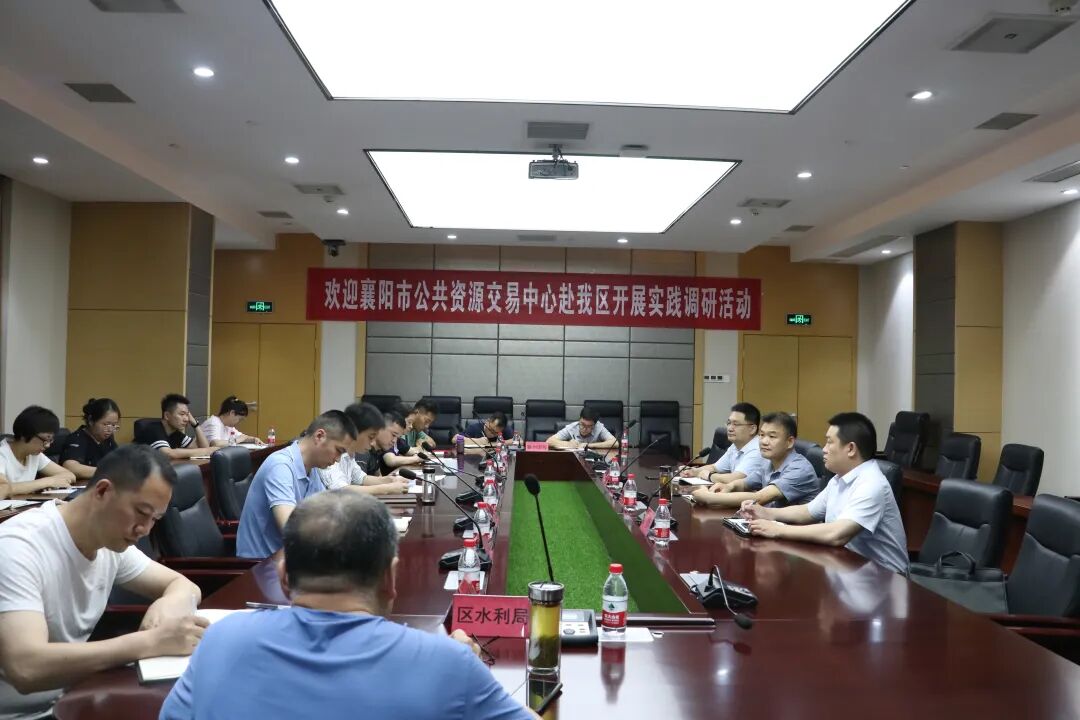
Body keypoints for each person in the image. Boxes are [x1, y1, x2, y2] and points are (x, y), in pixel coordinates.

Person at [161, 491, 538, 720]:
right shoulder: (448, 664)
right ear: (390, 577)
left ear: (284, 576)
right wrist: (471, 673)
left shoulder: (220, 641)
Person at [0, 445, 208, 720]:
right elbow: (26, 668)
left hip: (74, 697)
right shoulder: (18, 547)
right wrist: (149, 642)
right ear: (102, 491)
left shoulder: (109, 542)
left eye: (155, 519)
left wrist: (169, 602)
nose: (145, 530)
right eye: (141, 512)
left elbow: (184, 586)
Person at [738, 412, 909, 575]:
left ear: (850, 449)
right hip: (848, 566)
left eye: (829, 442)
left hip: (883, 578)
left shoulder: (871, 484)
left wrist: (778, 529)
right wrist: (767, 513)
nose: (824, 449)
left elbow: (837, 534)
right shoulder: (839, 479)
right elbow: (808, 512)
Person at [236, 411, 358, 559]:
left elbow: (325, 512)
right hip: (261, 564)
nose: (338, 459)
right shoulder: (280, 466)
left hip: (291, 557)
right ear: (319, 436)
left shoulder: (312, 469)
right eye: (339, 451)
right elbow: (291, 528)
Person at [691, 412, 818, 509]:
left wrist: (709, 497)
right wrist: (729, 486)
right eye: (762, 435)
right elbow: (745, 483)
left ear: (789, 442)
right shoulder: (769, 462)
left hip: (795, 532)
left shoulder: (799, 469)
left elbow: (759, 497)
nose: (764, 441)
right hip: (769, 524)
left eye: (772, 436)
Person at [318, 403, 408, 496]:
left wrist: (390, 480)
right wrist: (386, 489)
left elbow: (361, 478)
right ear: (356, 431)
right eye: (370, 437)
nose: (372, 443)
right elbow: (340, 490)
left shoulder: (350, 454)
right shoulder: (330, 451)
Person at [682, 403, 768, 490]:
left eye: (736, 424)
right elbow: (715, 467)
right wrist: (693, 471)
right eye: (729, 423)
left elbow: (735, 478)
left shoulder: (758, 449)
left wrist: (709, 476)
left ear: (752, 429)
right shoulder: (735, 446)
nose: (730, 428)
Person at [0, 406, 76, 495]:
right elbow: (2, 489)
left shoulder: (34, 455)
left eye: (50, 440)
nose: (47, 445)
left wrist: (49, 483)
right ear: (24, 434)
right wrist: (46, 482)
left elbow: (70, 475)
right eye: (45, 440)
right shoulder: (2, 454)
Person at [134, 394, 215, 461]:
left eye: (187, 415)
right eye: (182, 414)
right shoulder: (153, 429)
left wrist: (195, 424)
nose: (186, 419)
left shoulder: (174, 433)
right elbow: (169, 454)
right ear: (167, 415)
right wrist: (205, 451)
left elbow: (203, 447)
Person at [59, 398, 121, 482]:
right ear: (91, 421)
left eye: (114, 425)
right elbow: (70, 467)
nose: (110, 430)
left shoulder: (108, 439)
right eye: (106, 424)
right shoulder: (77, 438)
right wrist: (107, 472)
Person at [546, 407, 617, 449]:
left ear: (594, 425)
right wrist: (568, 444)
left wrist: (588, 445)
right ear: (579, 419)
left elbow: (615, 443)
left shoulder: (599, 427)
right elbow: (549, 441)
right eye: (582, 424)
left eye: (588, 426)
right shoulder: (572, 428)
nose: (584, 428)